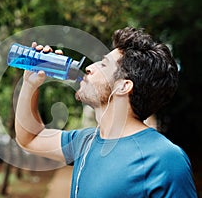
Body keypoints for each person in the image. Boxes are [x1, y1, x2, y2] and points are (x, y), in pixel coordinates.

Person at [14, 27, 197, 197]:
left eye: (102, 65)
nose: (89, 68)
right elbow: (30, 138)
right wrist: (30, 83)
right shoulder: (85, 142)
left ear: (123, 86)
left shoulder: (165, 159)